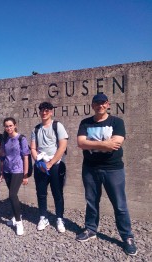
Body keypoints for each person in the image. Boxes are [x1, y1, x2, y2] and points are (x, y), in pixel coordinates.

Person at [76, 93, 137, 256]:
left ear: (108, 104)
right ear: (92, 105)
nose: (99, 105)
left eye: (102, 103)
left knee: (120, 205)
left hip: (113, 169)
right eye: (96, 103)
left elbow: (115, 144)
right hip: (90, 168)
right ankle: (90, 229)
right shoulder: (85, 122)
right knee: (91, 202)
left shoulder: (117, 122)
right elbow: (80, 143)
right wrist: (104, 143)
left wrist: (93, 144)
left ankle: (127, 237)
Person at [30, 102, 68, 233]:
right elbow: (33, 148)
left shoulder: (58, 126)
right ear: (39, 112)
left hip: (56, 165)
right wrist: (38, 162)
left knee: (58, 193)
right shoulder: (36, 129)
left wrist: (50, 163)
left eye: (47, 110)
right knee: (41, 193)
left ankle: (59, 218)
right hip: (41, 166)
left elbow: (63, 146)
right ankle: (43, 217)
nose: (44, 113)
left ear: (51, 112)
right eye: (42, 110)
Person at [0, 117, 30, 235]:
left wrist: (25, 175)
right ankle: (15, 216)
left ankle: (19, 222)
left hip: (18, 170)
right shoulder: (5, 139)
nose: (9, 128)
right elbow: (2, 156)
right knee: (14, 196)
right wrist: (2, 172)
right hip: (7, 170)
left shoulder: (21, 138)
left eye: (10, 125)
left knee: (12, 195)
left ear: (15, 125)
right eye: (6, 126)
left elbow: (26, 156)